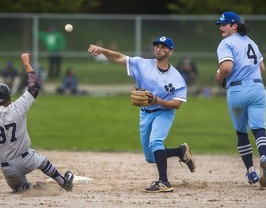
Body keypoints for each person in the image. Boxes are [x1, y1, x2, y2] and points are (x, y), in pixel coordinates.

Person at [88, 36, 196, 193]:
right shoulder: (142, 64)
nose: (159, 49)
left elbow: (177, 104)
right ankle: (180, 151)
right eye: (157, 46)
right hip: (145, 113)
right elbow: (119, 58)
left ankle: (164, 182)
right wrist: (102, 50)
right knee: (150, 157)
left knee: (156, 142)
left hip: (164, 112)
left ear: (170, 52)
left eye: (164, 47)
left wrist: (157, 100)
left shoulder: (176, 77)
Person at [0, 53, 74, 193]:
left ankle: (30, 188)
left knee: (18, 188)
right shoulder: (17, 108)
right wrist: (26, 63)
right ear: (9, 96)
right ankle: (64, 182)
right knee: (42, 161)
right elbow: (34, 87)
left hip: (6, 167)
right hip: (26, 159)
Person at [214, 12, 266, 188]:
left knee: (241, 132)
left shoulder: (226, 43)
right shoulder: (251, 41)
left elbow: (227, 67)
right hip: (257, 89)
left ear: (234, 26)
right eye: (220, 25)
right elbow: (262, 67)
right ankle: (264, 158)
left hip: (237, 90)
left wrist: (218, 76)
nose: (221, 28)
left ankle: (252, 171)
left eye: (224, 24)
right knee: (259, 129)